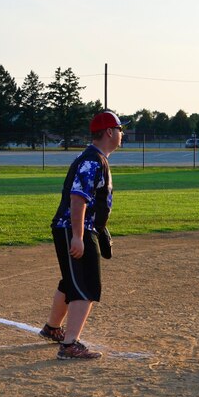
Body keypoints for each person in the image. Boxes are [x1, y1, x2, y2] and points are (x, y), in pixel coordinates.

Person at [39, 110, 125, 359]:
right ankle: (69, 345)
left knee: (71, 281)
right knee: (86, 284)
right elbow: (78, 198)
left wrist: (99, 227)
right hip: (74, 227)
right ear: (109, 132)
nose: (122, 134)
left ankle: (52, 328)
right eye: (120, 129)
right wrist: (78, 236)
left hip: (77, 227)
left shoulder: (95, 158)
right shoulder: (93, 161)